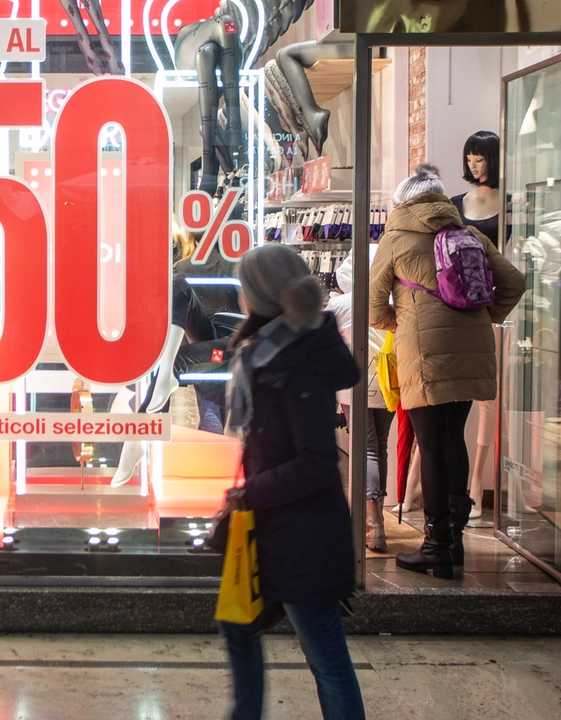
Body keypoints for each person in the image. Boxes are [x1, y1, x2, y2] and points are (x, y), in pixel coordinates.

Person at [221, 243, 365, 720]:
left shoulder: (294, 362)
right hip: (275, 528)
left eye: (245, 287)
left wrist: (248, 493)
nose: (241, 296)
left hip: (302, 533)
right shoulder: (269, 353)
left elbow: (317, 463)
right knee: (239, 628)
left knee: (325, 656)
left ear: (259, 297)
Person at [369, 164, 525, 579]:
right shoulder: (469, 234)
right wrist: (482, 317)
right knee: (453, 438)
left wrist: (403, 325)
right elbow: (514, 282)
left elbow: (371, 303)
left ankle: (435, 546)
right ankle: (454, 541)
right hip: (472, 349)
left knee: (431, 444)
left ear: (403, 201)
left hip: (425, 353)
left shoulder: (397, 238)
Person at [326, 247, 395, 551]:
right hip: (388, 383)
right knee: (380, 447)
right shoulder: (393, 303)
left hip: (354, 384)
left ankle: (372, 525)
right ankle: (377, 517)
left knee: (364, 449)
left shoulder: (340, 304)